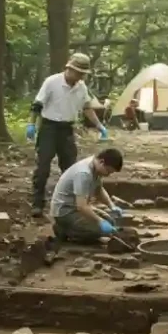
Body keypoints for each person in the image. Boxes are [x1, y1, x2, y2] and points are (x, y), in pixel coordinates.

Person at [27, 53, 109, 218]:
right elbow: (37, 105)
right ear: (69, 68)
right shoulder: (52, 82)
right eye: (77, 72)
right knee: (43, 167)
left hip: (66, 129)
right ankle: (37, 203)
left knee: (71, 169)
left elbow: (87, 107)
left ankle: (72, 204)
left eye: (82, 74)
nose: (79, 76)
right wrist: (31, 124)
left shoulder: (81, 87)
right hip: (49, 128)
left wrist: (99, 126)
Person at [50, 148, 124, 244]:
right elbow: (82, 206)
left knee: (110, 222)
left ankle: (71, 227)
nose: (108, 175)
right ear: (102, 162)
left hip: (76, 208)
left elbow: (99, 189)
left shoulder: (94, 166)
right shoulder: (83, 174)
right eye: (108, 172)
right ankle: (64, 230)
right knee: (98, 231)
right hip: (65, 211)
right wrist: (100, 221)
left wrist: (111, 206)